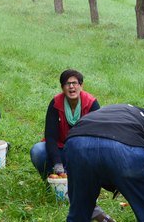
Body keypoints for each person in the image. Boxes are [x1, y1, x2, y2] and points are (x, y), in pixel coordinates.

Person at [64, 104, 144, 222]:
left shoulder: (114, 112)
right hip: (124, 150)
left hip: (76, 142)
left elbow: (79, 195)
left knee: (78, 216)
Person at [29, 70, 112, 221]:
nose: (71, 87)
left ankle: (81, 193)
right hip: (60, 148)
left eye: (75, 83)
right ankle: (53, 183)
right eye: (68, 84)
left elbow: (98, 135)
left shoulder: (91, 103)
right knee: (38, 151)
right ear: (62, 87)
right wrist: (57, 162)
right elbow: (51, 136)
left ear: (81, 86)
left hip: (82, 149)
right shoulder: (56, 103)